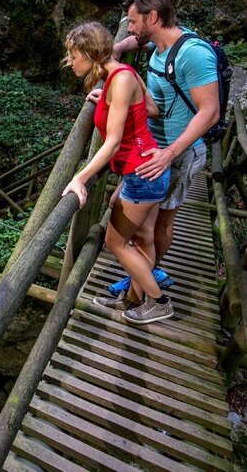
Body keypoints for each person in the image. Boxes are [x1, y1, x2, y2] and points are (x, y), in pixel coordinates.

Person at [99, 0, 221, 303]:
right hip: (152, 149)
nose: (129, 26)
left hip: (177, 153)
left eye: (133, 20)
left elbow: (210, 112)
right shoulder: (159, 42)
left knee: (161, 224)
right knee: (135, 219)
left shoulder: (192, 53)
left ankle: (141, 285)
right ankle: (140, 274)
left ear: (152, 17)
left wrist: (170, 152)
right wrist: (115, 51)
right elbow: (130, 42)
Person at [60, 21, 175, 325]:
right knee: (142, 236)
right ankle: (132, 297)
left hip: (141, 175)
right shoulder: (121, 76)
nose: (71, 62)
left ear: (89, 52)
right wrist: (109, 104)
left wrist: (79, 177)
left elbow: (111, 142)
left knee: (115, 242)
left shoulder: (121, 80)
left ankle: (159, 302)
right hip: (146, 172)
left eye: (74, 55)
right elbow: (150, 109)